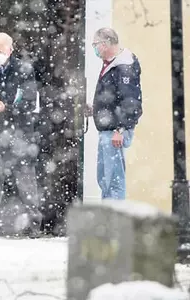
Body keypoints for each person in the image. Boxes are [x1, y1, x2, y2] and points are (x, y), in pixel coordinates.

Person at [0, 32, 41, 239]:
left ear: (10, 50)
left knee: (25, 181)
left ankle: (34, 226)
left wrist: (8, 108)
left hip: (19, 134)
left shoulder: (24, 70)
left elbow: (30, 102)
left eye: (0, 50)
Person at [89, 27, 142, 200]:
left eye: (95, 44)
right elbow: (112, 98)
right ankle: (107, 219)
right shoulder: (112, 65)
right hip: (108, 131)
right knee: (104, 179)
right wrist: (95, 109)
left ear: (105, 44)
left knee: (114, 180)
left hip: (114, 132)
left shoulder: (124, 66)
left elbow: (130, 101)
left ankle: (115, 222)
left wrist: (120, 129)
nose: (94, 48)